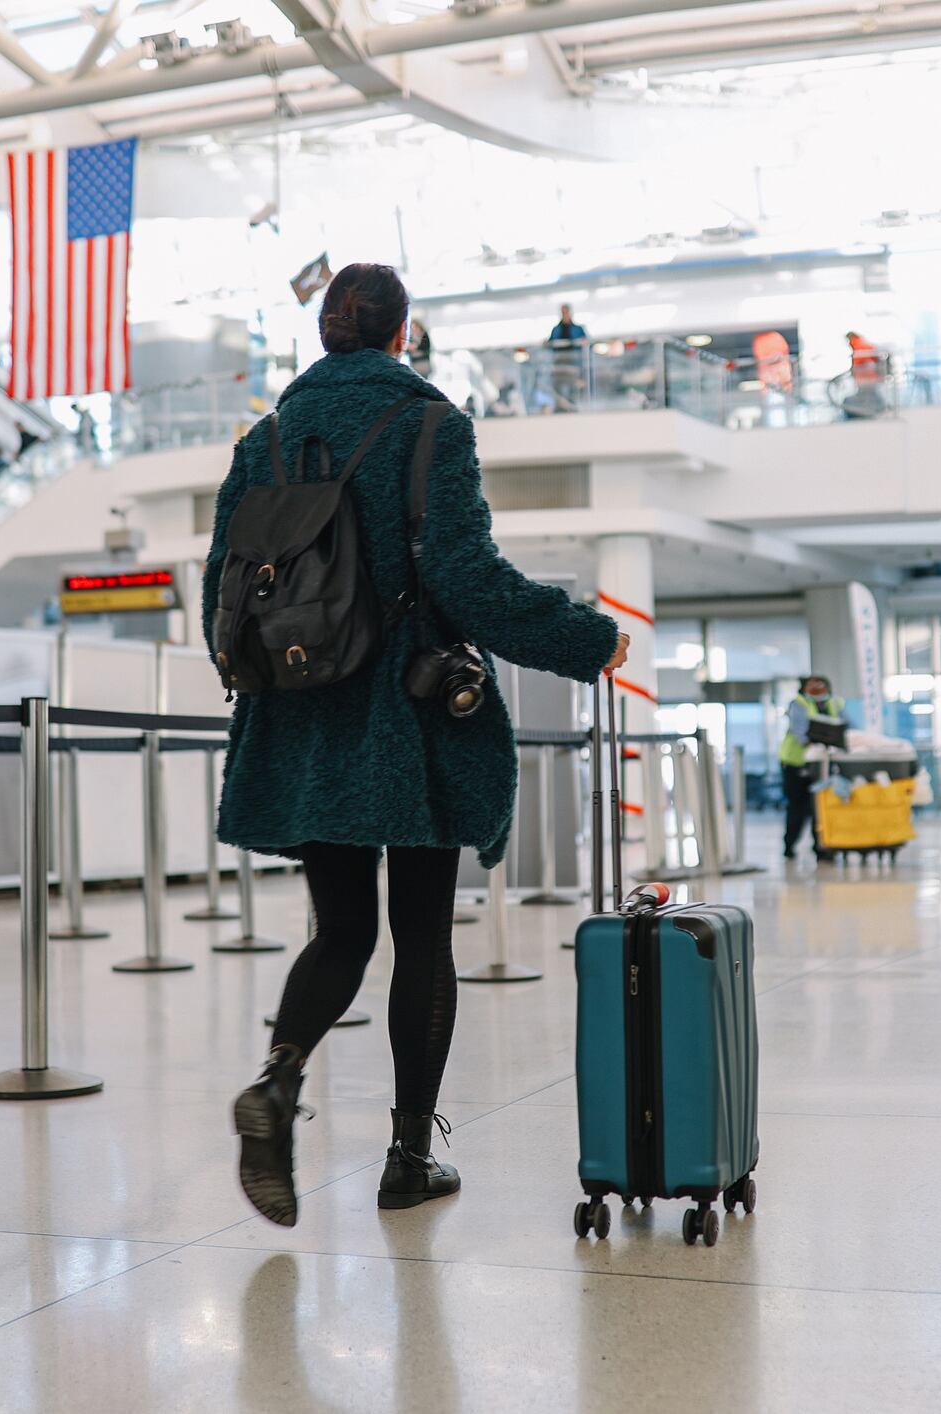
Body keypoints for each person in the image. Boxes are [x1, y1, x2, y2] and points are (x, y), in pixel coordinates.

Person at [209, 264, 628, 1227]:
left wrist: (282, 680)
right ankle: (408, 1157)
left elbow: (221, 598)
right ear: (404, 334)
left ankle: (276, 1082)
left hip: (307, 719)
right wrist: (586, 638)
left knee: (342, 930)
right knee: (423, 937)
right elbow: (465, 575)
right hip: (407, 711)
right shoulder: (430, 425)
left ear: (323, 336)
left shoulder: (263, 441)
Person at [780, 674, 847, 859]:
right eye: (813, 687)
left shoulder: (835, 703)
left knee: (821, 807)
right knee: (798, 807)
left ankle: (822, 847)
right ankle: (789, 846)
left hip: (823, 764)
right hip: (796, 763)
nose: (818, 691)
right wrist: (815, 743)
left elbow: (846, 726)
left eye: (821, 687)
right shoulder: (799, 704)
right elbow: (800, 731)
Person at [547, 303, 588, 412]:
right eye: (563, 312)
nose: (565, 314)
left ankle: (572, 405)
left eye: (566, 312)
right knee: (559, 384)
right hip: (559, 362)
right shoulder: (556, 329)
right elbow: (550, 342)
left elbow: (585, 341)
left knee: (573, 384)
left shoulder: (578, 328)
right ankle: (561, 405)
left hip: (574, 362)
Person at [843, 331, 888, 419]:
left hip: (866, 379)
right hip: (870, 378)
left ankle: (870, 413)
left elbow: (860, 363)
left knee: (867, 397)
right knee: (871, 396)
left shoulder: (859, 346)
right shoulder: (864, 344)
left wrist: (855, 371)